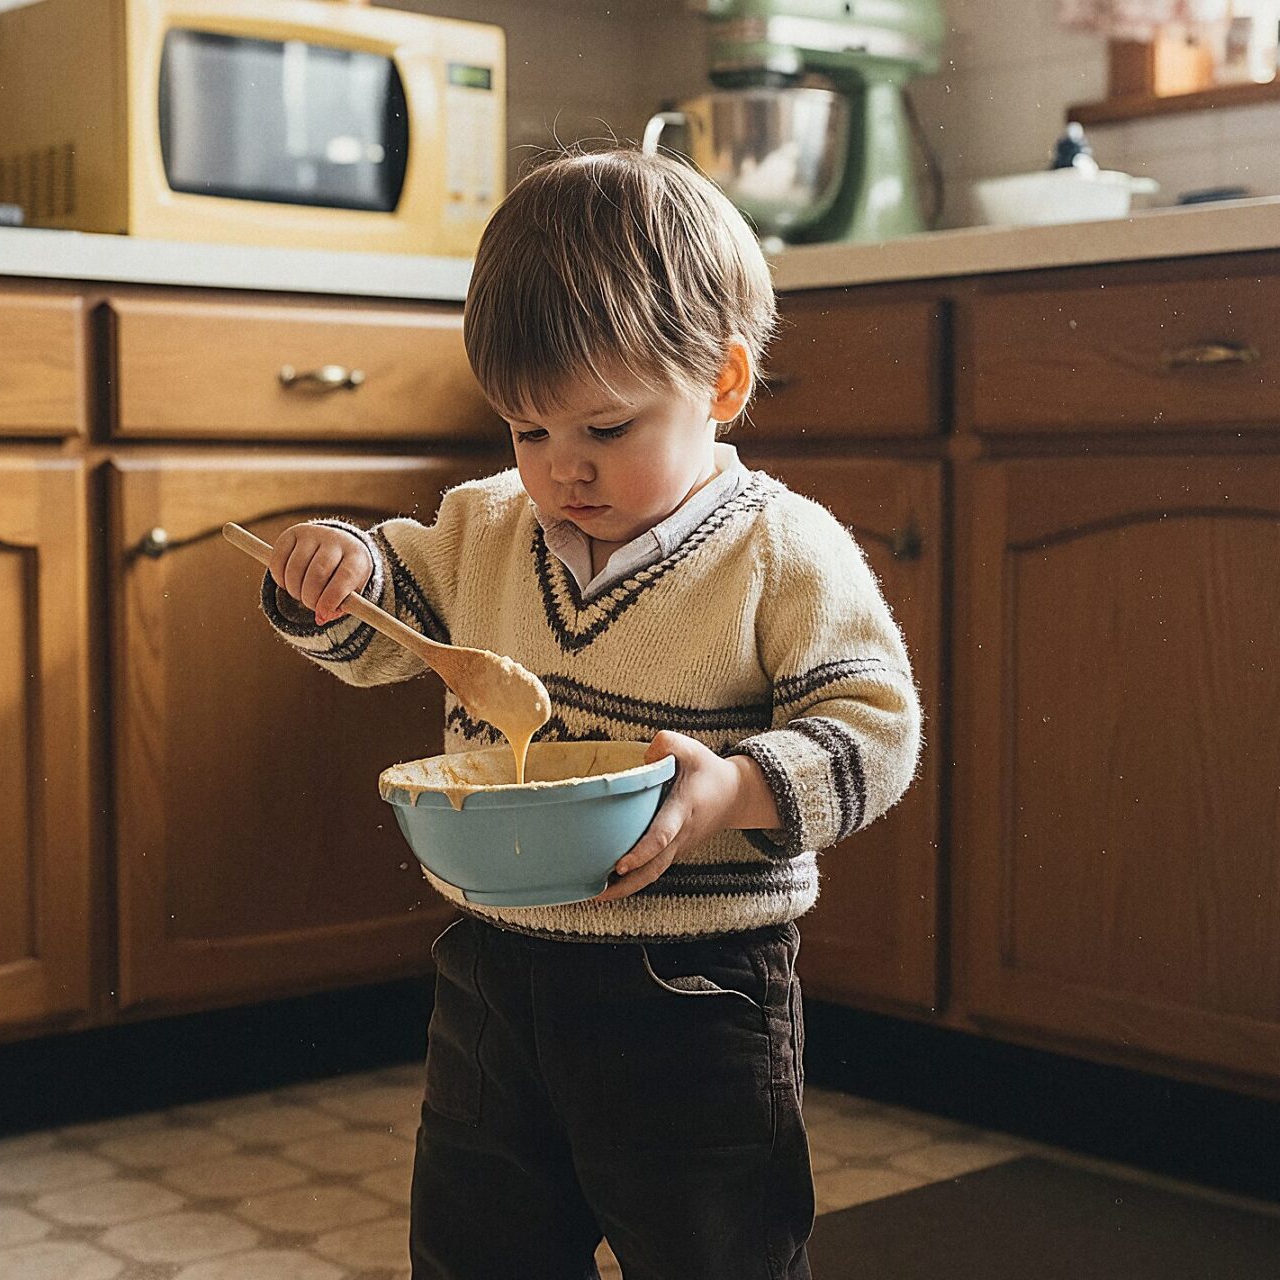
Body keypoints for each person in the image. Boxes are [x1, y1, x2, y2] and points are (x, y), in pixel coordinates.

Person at [259, 147, 920, 1280]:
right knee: (477, 1249)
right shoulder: (483, 528)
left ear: (720, 383)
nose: (562, 469)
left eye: (605, 430)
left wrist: (737, 789)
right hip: (493, 975)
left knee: (717, 1252)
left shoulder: (781, 550)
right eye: (528, 429)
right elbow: (379, 629)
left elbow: (872, 727)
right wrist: (330, 576)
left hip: (694, 988)